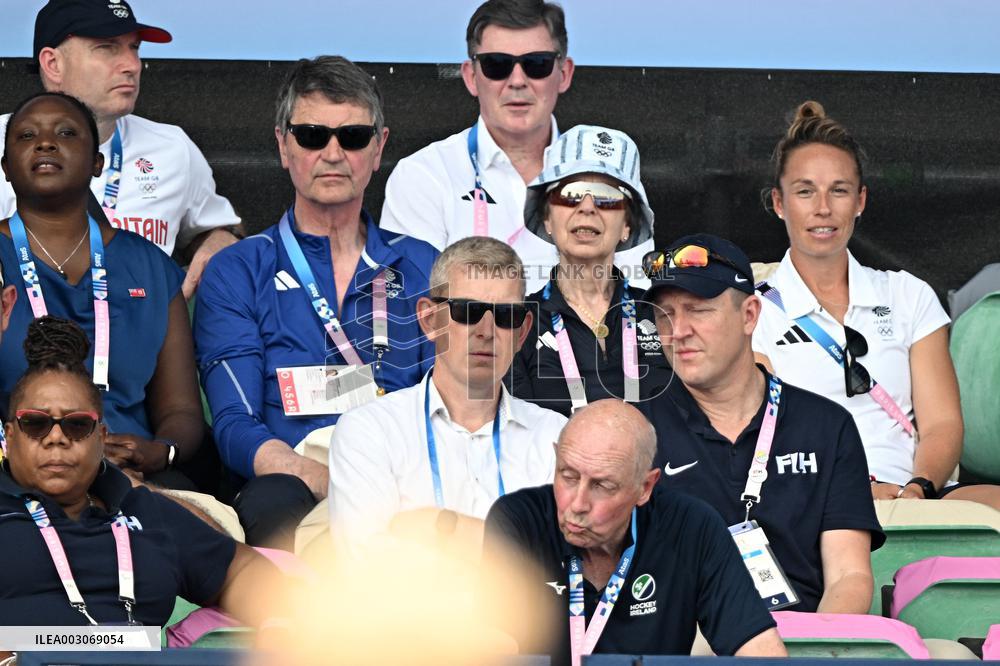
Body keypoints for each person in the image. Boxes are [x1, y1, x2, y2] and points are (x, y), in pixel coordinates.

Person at [195, 56, 437, 549]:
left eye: (352, 137)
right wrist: (334, 482)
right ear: (283, 145)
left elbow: (451, 398)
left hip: (409, 479)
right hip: (292, 483)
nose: (332, 153)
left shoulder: (425, 264)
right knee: (272, 503)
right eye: (311, 136)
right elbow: (235, 422)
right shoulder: (238, 269)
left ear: (379, 147)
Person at [753, 101, 1000, 510]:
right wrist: (855, 492)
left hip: (915, 493)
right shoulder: (752, 310)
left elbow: (941, 424)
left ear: (860, 200)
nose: (823, 208)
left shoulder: (909, 294)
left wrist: (917, 490)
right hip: (808, 501)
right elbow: (764, 438)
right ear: (779, 203)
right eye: (804, 191)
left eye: (839, 190)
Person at [640, 233, 884, 614]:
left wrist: (814, 654)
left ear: (750, 314)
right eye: (664, 315)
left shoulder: (826, 425)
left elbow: (848, 576)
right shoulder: (634, 431)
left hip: (801, 644)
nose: (678, 331)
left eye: (699, 310)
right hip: (688, 643)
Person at [0, 315, 283, 634]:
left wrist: (278, 623)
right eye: (35, 423)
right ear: (9, 436)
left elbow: (241, 569)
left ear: (101, 438)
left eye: (77, 424)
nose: (56, 437)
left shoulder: (142, 509)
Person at [0, 91, 203, 489]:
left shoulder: (149, 266)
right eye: (26, 136)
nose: (45, 142)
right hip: (14, 476)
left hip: (134, 478)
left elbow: (181, 409)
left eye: (66, 133)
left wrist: (158, 451)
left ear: (97, 163)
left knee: (207, 529)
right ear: (6, 167)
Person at [482, 400, 786, 664]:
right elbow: (490, 649)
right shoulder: (520, 521)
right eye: (568, 475)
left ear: (645, 487)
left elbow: (761, 651)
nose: (577, 504)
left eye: (602, 485)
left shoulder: (691, 526)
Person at [380, 0, 653, 293]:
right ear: (471, 77)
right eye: (497, 65)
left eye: (537, 64)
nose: (518, 81)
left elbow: (632, 297)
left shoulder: (610, 172)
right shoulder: (423, 176)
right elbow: (420, 309)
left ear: (564, 73)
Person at [328, 237, 567, 553]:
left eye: (505, 315)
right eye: (467, 311)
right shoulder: (369, 430)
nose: (486, 330)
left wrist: (444, 528)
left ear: (522, 332)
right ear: (430, 320)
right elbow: (366, 567)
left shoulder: (557, 435)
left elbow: (568, 567)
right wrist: (518, 550)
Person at [0, 0, 243, 298]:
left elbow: (217, 228)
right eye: (107, 47)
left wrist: (220, 240)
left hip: (142, 338)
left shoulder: (172, 147)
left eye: (135, 48)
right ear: (53, 64)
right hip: (27, 336)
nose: (132, 65)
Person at [508, 125, 669, 416]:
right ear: (547, 218)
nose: (587, 207)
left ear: (627, 225)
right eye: (571, 194)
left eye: (606, 196)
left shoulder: (662, 313)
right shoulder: (516, 321)